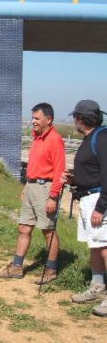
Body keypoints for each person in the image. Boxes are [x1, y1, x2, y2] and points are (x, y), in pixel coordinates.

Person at [0, 102, 66, 285]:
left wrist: (53, 196)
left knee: (47, 229)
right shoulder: (36, 137)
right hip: (32, 187)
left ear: (48, 119)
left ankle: (51, 269)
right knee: (24, 227)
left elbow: (59, 170)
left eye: (36, 118)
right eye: (32, 117)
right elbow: (34, 166)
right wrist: (27, 186)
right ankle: (17, 267)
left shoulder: (55, 139)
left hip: (46, 188)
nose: (32, 121)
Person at [65, 100, 107, 317]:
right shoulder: (91, 138)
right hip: (88, 197)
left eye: (75, 117)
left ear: (81, 118)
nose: (74, 120)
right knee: (95, 245)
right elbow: (93, 170)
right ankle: (97, 286)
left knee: (104, 246)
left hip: (98, 200)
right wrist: (75, 179)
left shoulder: (101, 138)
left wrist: (101, 207)